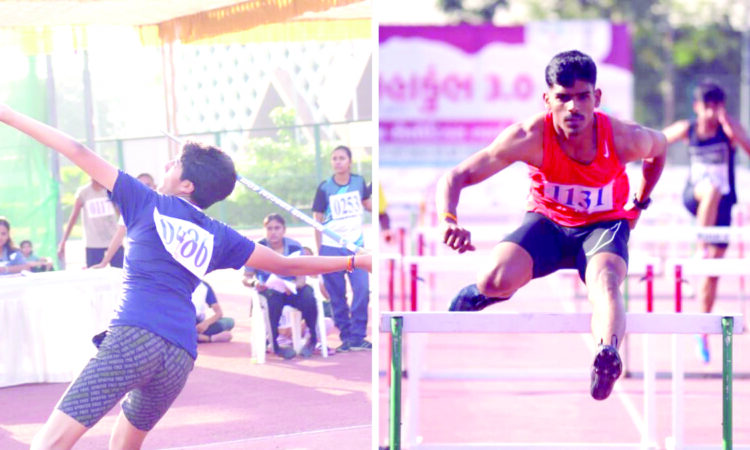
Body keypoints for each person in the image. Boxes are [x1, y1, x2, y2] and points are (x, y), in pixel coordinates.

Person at [0, 103, 371, 449]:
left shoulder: (144, 200)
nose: (166, 164)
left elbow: (77, 150)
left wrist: (9, 115)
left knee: (47, 443)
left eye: (174, 163)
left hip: (134, 338)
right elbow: (287, 265)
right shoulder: (220, 235)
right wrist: (357, 260)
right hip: (179, 354)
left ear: (187, 185)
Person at [437, 50, 667, 401]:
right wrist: (449, 220)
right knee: (495, 279)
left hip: (602, 226)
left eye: (582, 97)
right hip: (548, 223)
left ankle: (606, 355)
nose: (573, 107)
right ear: (547, 100)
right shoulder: (528, 136)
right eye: (563, 97)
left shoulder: (623, 138)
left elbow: (659, 149)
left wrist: (640, 201)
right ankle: (482, 293)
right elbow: (457, 176)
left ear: (596, 98)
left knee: (605, 282)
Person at [662, 80, 750, 363]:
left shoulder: (728, 131)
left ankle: (702, 330)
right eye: (707, 106)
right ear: (697, 107)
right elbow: (657, 140)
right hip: (696, 196)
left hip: (723, 207)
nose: (711, 112)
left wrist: (730, 126)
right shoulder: (688, 129)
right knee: (710, 188)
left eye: (717, 106)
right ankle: (699, 247)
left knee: (712, 273)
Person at [312, 145, 373, 352]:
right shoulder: (324, 188)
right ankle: (346, 337)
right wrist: (320, 251)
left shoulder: (358, 182)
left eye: (341, 158)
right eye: (334, 158)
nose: (337, 162)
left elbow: (367, 204)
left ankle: (358, 336)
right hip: (331, 248)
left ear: (349, 162)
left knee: (362, 289)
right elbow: (317, 221)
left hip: (356, 248)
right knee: (337, 296)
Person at [242, 214, 320, 359]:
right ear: (264, 230)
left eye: (277, 228)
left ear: (284, 230)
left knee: (308, 296)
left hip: (291, 290)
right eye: (269, 228)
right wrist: (255, 283)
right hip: (269, 290)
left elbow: (301, 277)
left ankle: (312, 340)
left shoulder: (294, 246)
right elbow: (246, 277)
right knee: (273, 300)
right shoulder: (256, 248)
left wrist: (294, 286)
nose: (273, 232)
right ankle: (275, 346)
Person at [89, 173, 156, 269]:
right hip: (140, 264)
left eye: (148, 185)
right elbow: (118, 237)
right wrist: (104, 263)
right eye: (140, 185)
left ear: (154, 186)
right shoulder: (130, 209)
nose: (144, 188)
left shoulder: (163, 205)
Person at [58, 176, 123, 268]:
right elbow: (73, 217)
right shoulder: (84, 193)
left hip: (114, 241)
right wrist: (63, 241)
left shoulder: (109, 190)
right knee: (94, 273)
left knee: (120, 272)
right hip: (93, 244)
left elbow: (121, 214)